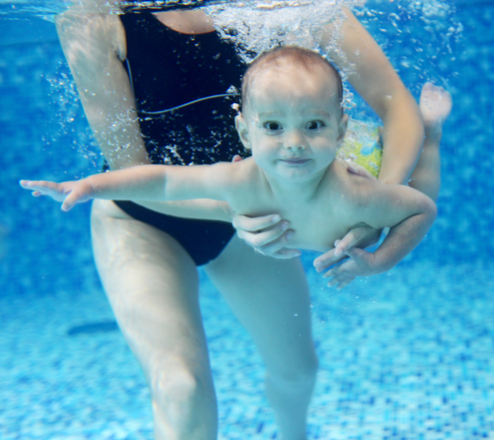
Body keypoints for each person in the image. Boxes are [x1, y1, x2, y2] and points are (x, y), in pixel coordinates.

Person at [50, 2, 431, 439]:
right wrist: (232, 209)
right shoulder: (93, 19)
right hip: (143, 220)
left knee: (298, 371)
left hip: (257, 214)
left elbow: (396, 105)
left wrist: (373, 205)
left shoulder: (292, 5)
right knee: (180, 385)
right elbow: (131, 177)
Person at [22, 46, 441, 277]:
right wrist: (93, 185)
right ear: (245, 133)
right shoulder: (241, 179)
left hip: (358, 158)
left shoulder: (357, 194)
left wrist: (381, 259)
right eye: (273, 127)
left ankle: (433, 131)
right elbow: (165, 182)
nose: (293, 144)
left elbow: (423, 208)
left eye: (312, 125)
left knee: (420, 179)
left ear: (338, 129)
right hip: (323, 159)